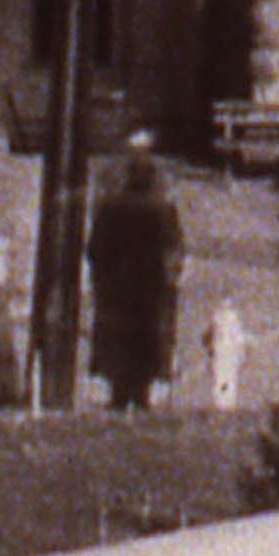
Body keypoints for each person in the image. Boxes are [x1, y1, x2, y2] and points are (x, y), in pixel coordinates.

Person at [88, 149, 185, 411]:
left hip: (118, 291)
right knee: (146, 346)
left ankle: (119, 395)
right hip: (150, 292)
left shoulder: (110, 208)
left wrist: (103, 281)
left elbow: (95, 250)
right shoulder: (163, 209)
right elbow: (174, 251)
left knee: (119, 345)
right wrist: (170, 281)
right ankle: (141, 396)